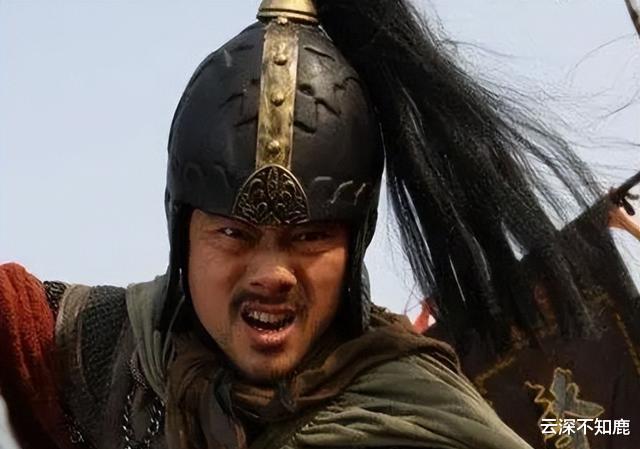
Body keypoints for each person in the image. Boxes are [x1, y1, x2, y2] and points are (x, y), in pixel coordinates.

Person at [0, 0, 637, 448]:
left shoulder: (423, 424)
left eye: (309, 237)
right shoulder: (108, 353)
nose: (272, 273)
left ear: (354, 244)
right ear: (182, 232)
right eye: (234, 233)